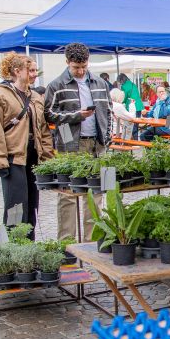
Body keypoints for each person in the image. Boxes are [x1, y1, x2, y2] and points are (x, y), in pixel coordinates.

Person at [44, 42, 110, 241]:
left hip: (97, 144)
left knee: (96, 193)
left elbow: (107, 111)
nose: (80, 71)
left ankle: (93, 239)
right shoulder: (56, 85)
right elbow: (48, 114)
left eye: (84, 66)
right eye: (76, 67)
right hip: (70, 143)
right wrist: (76, 115)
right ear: (67, 62)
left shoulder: (99, 83)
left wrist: (107, 136)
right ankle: (67, 242)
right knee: (67, 194)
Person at [0, 53, 54, 239]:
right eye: (30, 70)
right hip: (13, 158)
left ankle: (29, 246)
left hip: (33, 156)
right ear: (17, 71)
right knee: (15, 207)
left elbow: (43, 129)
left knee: (32, 205)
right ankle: (13, 246)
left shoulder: (35, 97)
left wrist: (48, 158)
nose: (34, 74)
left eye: (35, 70)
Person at [117, 73, 144, 139]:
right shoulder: (132, 84)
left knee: (131, 124)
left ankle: (132, 140)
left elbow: (124, 97)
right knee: (136, 124)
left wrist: (120, 102)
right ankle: (135, 139)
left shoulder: (124, 86)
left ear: (121, 80)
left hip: (131, 106)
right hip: (139, 106)